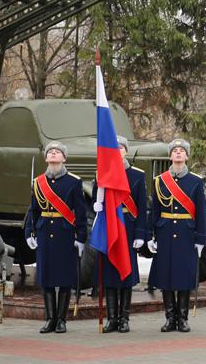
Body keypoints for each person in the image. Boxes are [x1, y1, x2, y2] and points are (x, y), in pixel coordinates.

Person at [25, 141, 87, 334]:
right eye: (50, 152)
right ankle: (50, 319)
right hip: (44, 234)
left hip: (65, 234)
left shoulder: (74, 182)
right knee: (47, 278)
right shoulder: (38, 182)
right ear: (46, 158)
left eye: (57, 152)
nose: (53, 154)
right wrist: (29, 232)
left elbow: (81, 212)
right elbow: (33, 210)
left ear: (64, 158)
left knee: (65, 278)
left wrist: (81, 238)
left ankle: (61, 320)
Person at [148, 138, 206, 333]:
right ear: (170, 155)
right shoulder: (159, 181)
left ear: (187, 156)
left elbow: (201, 213)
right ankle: (169, 318)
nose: (179, 153)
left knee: (183, 276)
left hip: (186, 233)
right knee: (165, 277)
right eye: (175, 150)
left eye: (182, 150)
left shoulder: (196, 182)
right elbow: (154, 210)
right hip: (165, 233)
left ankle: (182, 318)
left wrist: (200, 238)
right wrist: (151, 235)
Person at [93, 136, 146, 333]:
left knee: (125, 275)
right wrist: (96, 205)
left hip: (128, 229)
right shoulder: (102, 174)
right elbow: (96, 200)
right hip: (109, 228)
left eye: (121, 148)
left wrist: (141, 234)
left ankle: (124, 318)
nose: (117, 150)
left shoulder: (137, 176)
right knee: (109, 276)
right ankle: (112, 318)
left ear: (126, 151)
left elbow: (141, 206)